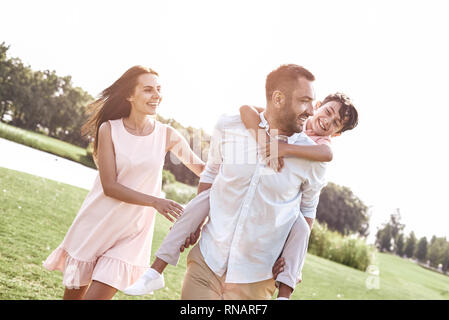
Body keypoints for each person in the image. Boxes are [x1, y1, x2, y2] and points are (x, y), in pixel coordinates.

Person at [123, 92, 358, 299]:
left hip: (278, 223)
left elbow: (321, 170)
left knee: (302, 228)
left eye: (336, 123)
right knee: (205, 198)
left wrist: (283, 149)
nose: (327, 121)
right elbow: (246, 109)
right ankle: (156, 270)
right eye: (327, 111)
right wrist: (263, 136)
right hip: (228, 223)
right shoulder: (287, 118)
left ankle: (285, 293)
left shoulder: (320, 148)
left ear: (336, 134)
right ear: (317, 105)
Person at [42, 65, 204, 300]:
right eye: (148, 90)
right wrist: (155, 202)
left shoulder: (167, 135)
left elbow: (203, 170)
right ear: (129, 95)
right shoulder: (109, 129)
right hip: (95, 225)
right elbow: (110, 186)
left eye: (158, 89)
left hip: (132, 235)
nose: (156, 95)